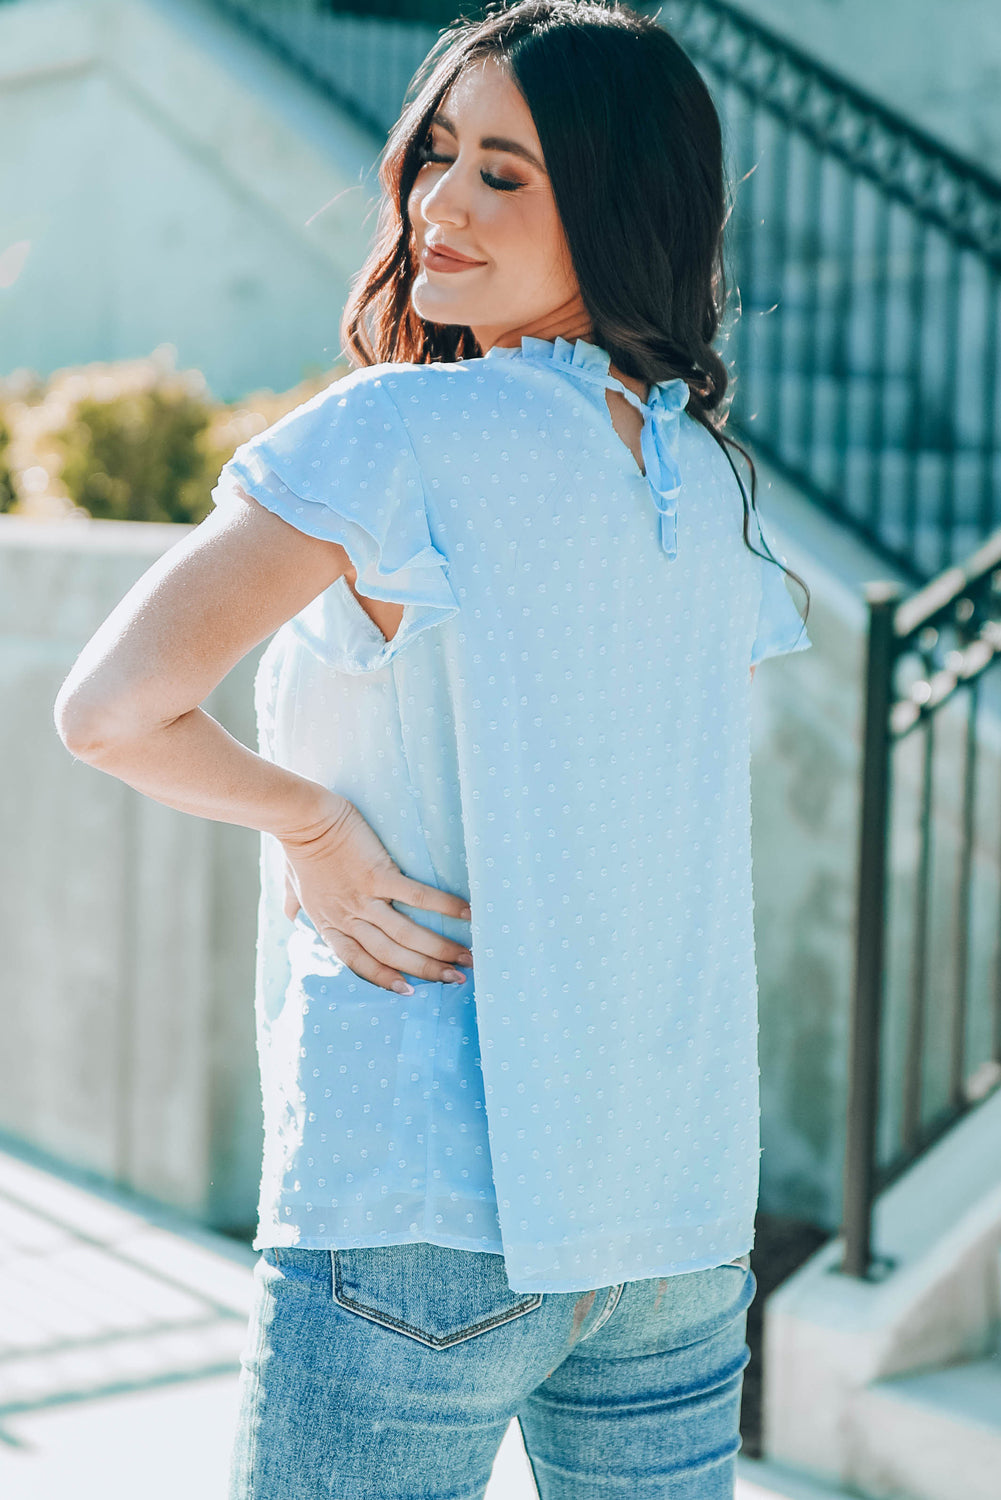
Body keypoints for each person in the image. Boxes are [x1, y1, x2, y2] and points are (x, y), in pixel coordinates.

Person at [53, 1, 812, 1495]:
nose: (438, 204)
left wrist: (313, 828)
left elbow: (111, 708)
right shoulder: (707, 477)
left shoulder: (397, 431)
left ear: (618, 199)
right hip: (672, 1203)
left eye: (507, 174)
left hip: (416, 1191)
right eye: (439, 154)